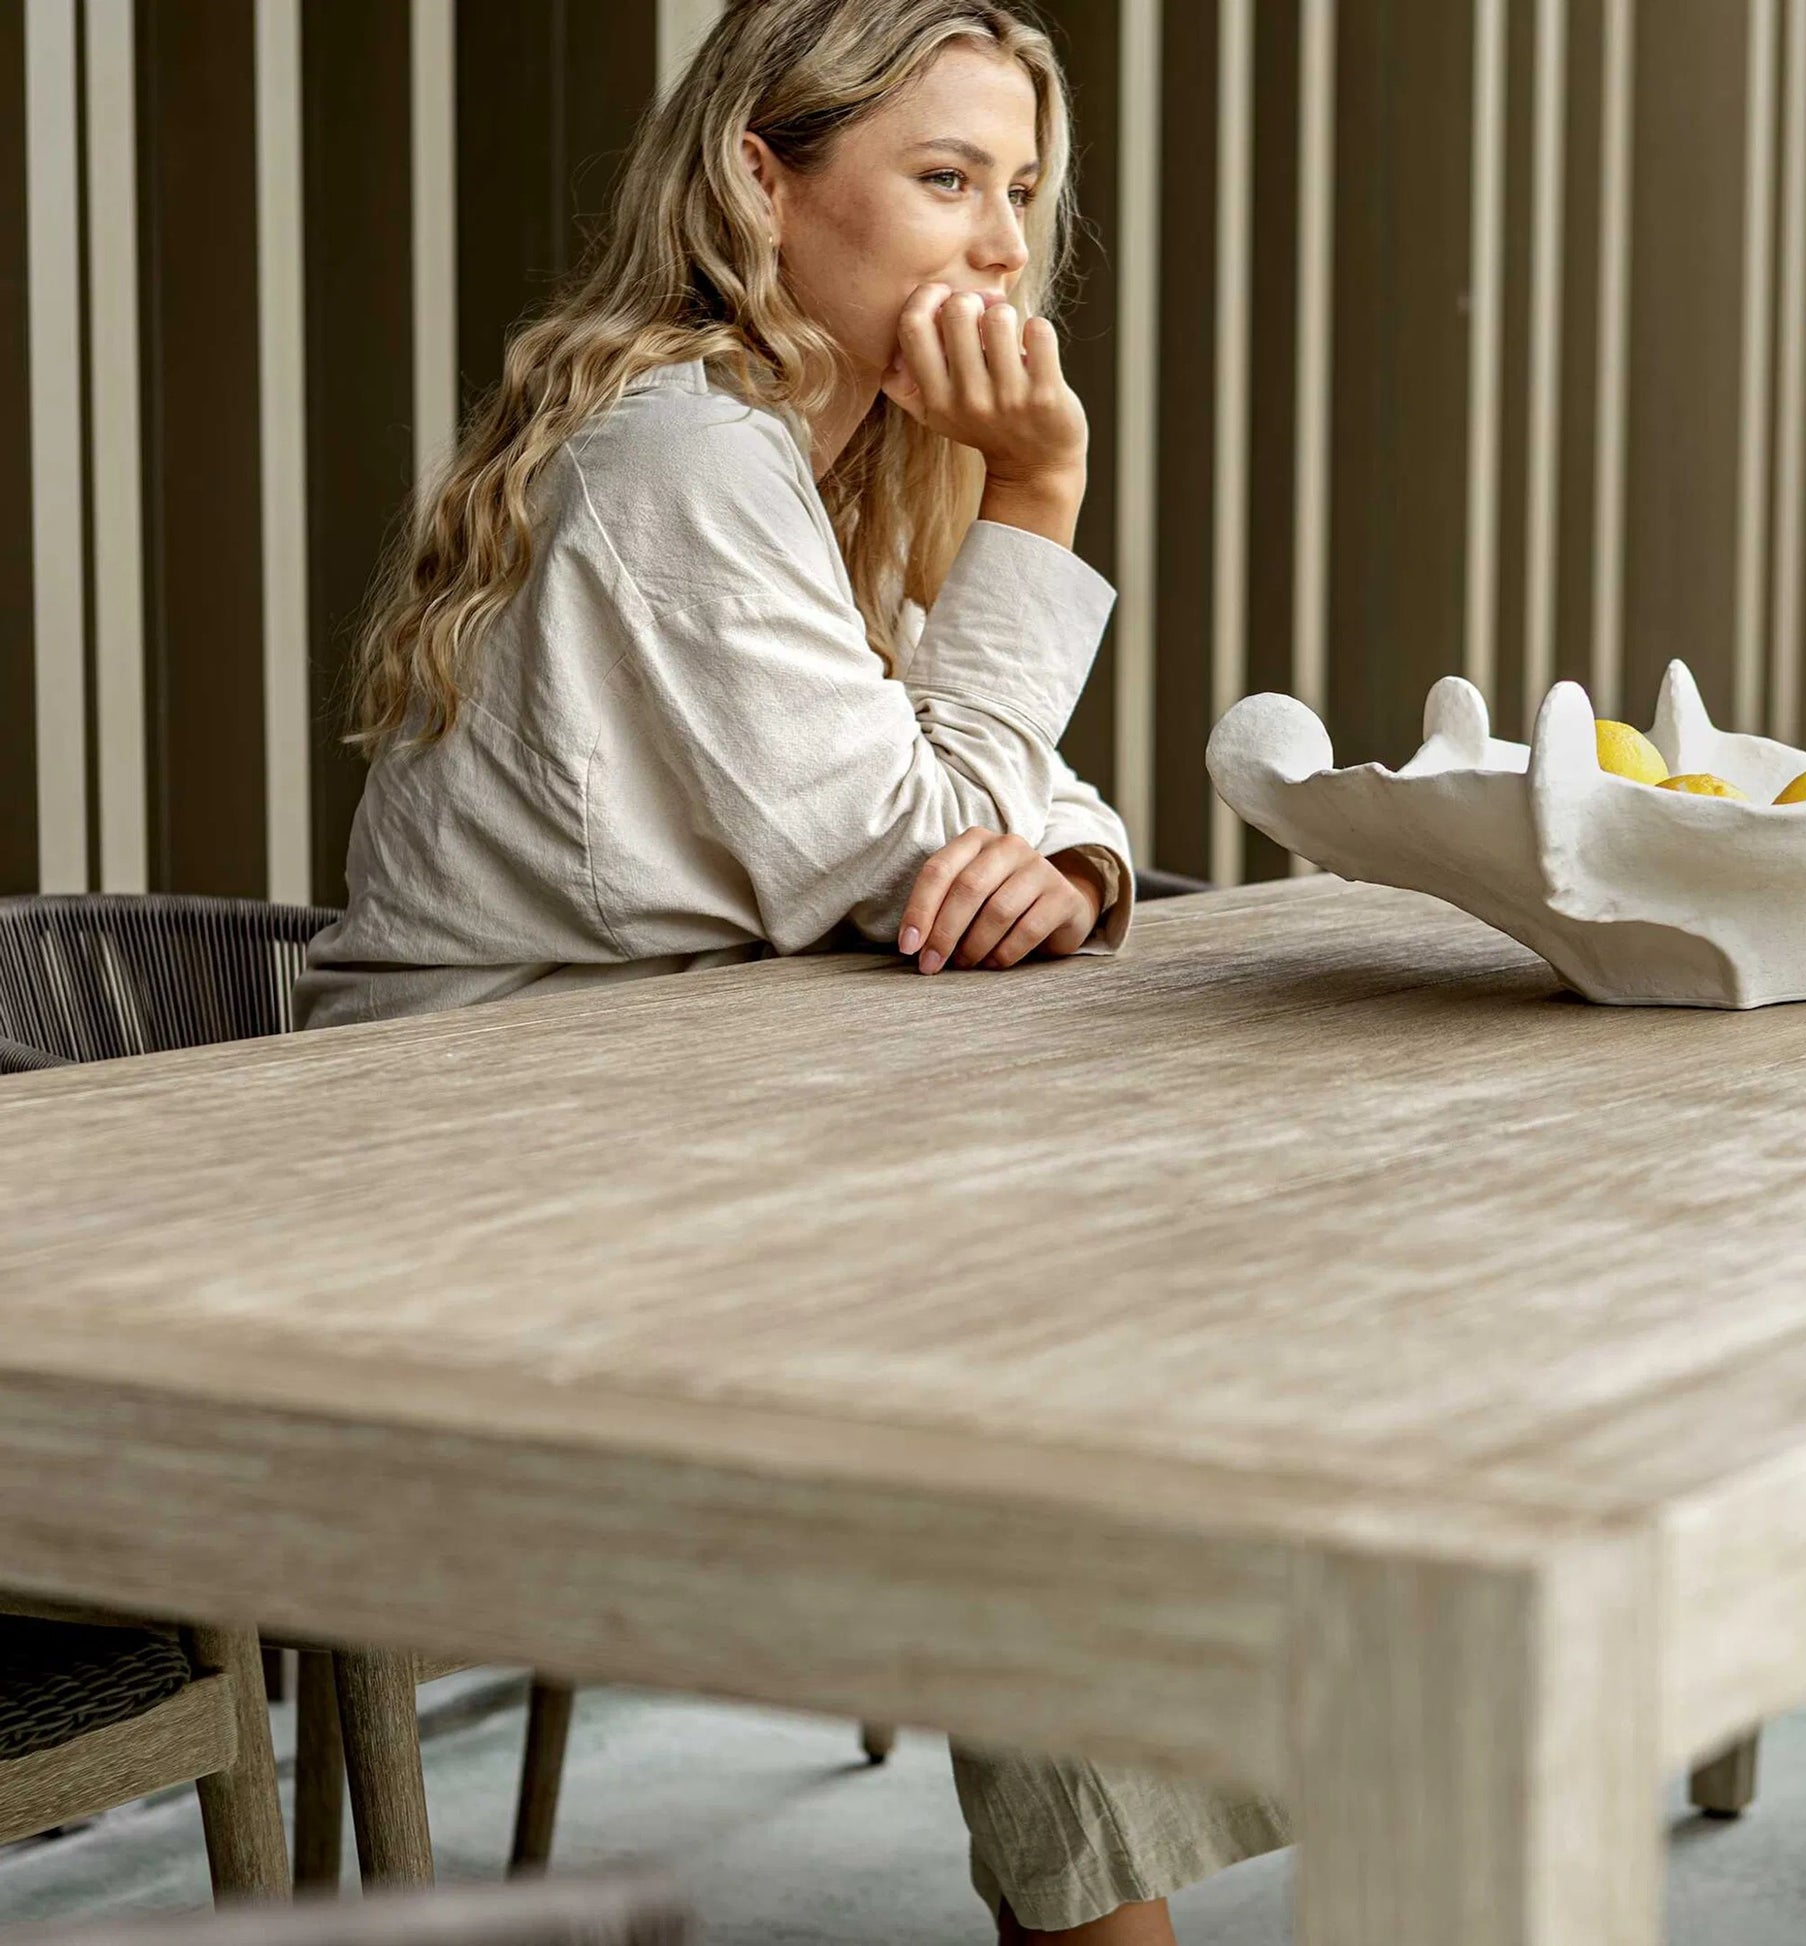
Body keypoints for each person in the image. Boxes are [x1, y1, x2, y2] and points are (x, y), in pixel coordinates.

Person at [293, 0, 1289, 1937]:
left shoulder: (825, 477)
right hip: (437, 1202)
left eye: (1020, 193)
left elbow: (992, 806)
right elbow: (924, 844)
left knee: (1094, 1304)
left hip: (658, 1136)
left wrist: (1069, 861)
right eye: (942, 180)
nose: (1003, 247)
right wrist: (1042, 502)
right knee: (1040, 1351)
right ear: (762, 176)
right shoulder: (682, 463)